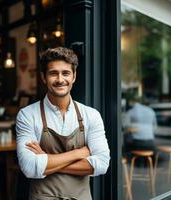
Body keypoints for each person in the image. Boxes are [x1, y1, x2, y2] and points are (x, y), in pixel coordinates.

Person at [16, 47, 110, 200]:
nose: (60, 79)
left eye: (66, 73)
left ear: (74, 76)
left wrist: (45, 159)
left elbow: (102, 164)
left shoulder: (91, 115)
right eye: (53, 73)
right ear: (43, 77)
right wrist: (78, 153)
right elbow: (29, 167)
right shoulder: (27, 115)